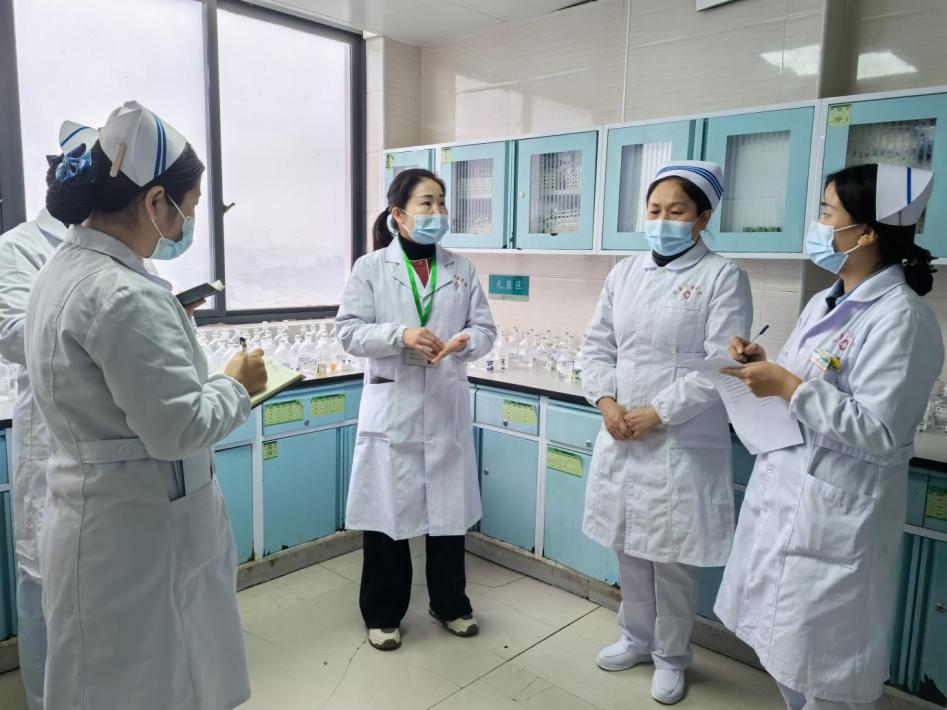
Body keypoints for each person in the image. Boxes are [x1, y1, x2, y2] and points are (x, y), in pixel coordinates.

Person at [25, 101, 267, 710]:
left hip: (101, 515)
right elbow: (178, 428)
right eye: (190, 206)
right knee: (150, 684)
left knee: (103, 682)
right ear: (155, 201)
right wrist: (237, 384)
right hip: (138, 535)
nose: (190, 221)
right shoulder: (122, 293)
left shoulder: (66, 269)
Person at [715, 163, 943, 710]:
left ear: (865, 233)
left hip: (839, 515)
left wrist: (788, 386)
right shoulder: (826, 300)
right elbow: (813, 381)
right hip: (791, 494)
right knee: (788, 656)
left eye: (826, 212)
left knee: (827, 678)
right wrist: (768, 366)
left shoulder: (902, 319)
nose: (817, 224)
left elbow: (880, 429)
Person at [579, 161, 753, 704]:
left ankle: (672, 656)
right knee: (629, 546)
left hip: (680, 439)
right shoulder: (624, 273)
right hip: (622, 432)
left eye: (676, 211)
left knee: (673, 557)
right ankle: (635, 638)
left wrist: (658, 412)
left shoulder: (723, 276)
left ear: (702, 219)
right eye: (654, 210)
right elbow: (596, 347)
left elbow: (720, 364)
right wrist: (606, 401)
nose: (662, 220)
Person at [336, 168, 497, 651]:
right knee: (388, 516)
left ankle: (449, 604)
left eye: (441, 202)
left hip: (444, 403)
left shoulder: (461, 269)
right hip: (395, 407)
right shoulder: (371, 268)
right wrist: (399, 335)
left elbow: (485, 330)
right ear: (398, 215)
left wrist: (465, 342)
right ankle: (383, 613)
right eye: (427, 203)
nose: (437, 212)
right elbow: (348, 332)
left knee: (448, 516)